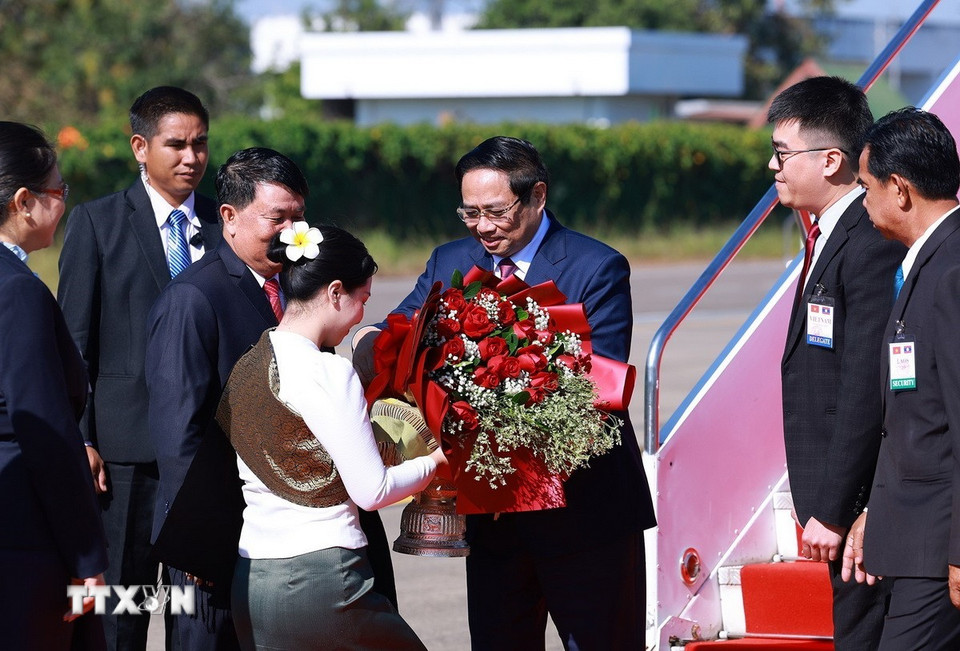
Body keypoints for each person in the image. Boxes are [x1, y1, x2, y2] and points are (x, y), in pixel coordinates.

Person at [356, 136, 656, 649]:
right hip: (493, 521)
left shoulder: (596, 267)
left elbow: (594, 386)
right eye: (469, 213)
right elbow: (396, 331)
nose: (484, 228)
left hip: (585, 515)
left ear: (537, 196)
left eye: (497, 211)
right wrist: (368, 344)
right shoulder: (451, 259)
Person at [146, 148, 395, 649]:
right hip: (226, 541)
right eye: (277, 218)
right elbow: (180, 438)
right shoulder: (194, 298)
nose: (291, 233)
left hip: (313, 540)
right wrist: (199, 546)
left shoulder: (301, 288)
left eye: (300, 218)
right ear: (229, 218)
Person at [223, 224, 444, 650]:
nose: (362, 313)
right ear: (336, 292)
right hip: (325, 580)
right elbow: (372, 490)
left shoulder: (249, 364)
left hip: (253, 579)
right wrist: (436, 463)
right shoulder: (327, 371)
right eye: (362, 300)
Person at [57, 85, 220, 650]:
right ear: (139, 147)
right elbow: (73, 344)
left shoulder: (226, 227)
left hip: (205, 460)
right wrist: (81, 438)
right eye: (176, 145)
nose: (191, 158)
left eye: (200, 144)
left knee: (198, 616)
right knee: (117, 614)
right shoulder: (97, 223)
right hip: (123, 462)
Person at [769, 76, 901, 647]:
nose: (773, 167)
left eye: (782, 154)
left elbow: (863, 387)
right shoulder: (829, 233)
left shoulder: (868, 240)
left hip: (857, 511)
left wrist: (839, 507)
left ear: (830, 160)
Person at [842, 107, 960, 649]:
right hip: (915, 536)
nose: (862, 203)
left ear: (900, 188)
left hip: (939, 548)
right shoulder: (926, 260)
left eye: (865, 188)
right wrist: (876, 510)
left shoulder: (952, 272)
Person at [0, 121, 108, 648]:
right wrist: (87, 557)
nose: (63, 204)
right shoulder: (17, 291)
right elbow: (42, 431)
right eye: (58, 192)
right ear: (23, 201)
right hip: (21, 537)